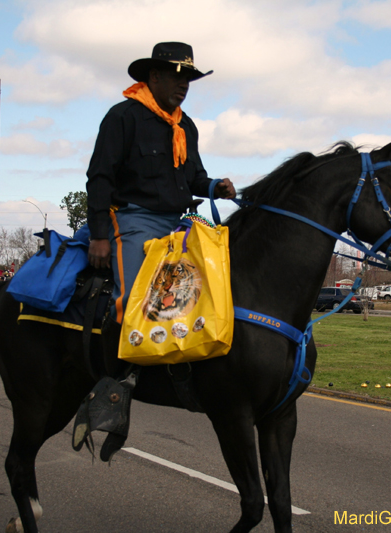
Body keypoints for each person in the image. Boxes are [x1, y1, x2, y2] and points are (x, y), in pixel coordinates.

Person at [79, 42, 236, 458]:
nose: (183, 85)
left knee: (212, 286)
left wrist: (213, 186)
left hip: (178, 223)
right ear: (152, 78)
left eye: (188, 78)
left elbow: (194, 177)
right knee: (134, 300)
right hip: (133, 219)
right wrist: (98, 233)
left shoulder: (188, 127)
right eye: (175, 76)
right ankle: (113, 388)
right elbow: (99, 177)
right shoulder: (123, 116)